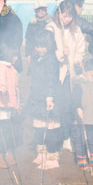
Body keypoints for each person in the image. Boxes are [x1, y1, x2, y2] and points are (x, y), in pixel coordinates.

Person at [27, 31, 68, 170]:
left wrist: (49, 97)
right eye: (37, 46)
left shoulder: (51, 60)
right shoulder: (37, 58)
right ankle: (42, 153)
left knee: (51, 130)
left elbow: (51, 80)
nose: (40, 49)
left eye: (43, 46)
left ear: (49, 46)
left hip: (49, 99)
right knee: (39, 127)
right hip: (38, 98)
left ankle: (52, 157)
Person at [0, 44, 21, 167]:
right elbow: (1, 81)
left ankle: (7, 151)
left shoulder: (11, 68)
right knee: (2, 128)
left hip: (8, 103)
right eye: (14, 56)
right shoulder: (1, 66)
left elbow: (16, 87)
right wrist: (3, 89)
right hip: (2, 102)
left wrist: (17, 104)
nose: (16, 58)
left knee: (7, 127)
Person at [72, 57, 93, 169]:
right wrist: (78, 108)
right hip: (81, 118)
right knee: (80, 139)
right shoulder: (80, 83)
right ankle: (81, 159)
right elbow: (75, 99)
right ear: (85, 73)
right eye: (92, 76)